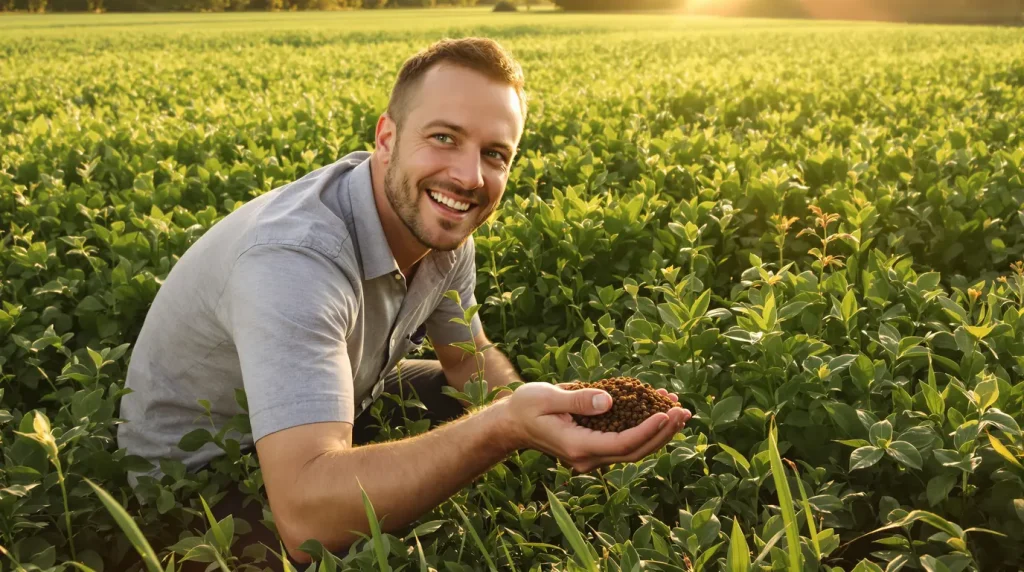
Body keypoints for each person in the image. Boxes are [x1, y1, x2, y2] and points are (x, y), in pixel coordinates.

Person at [116, 37, 692, 567]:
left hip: (346, 394)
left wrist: (555, 412)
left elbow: (471, 366)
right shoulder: (293, 261)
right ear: (386, 138)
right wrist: (503, 427)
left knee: (459, 405)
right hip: (203, 477)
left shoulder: (440, 225)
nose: (469, 176)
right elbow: (304, 519)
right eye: (444, 137)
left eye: (495, 154)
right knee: (365, 551)